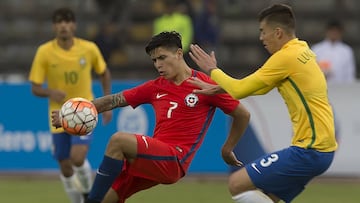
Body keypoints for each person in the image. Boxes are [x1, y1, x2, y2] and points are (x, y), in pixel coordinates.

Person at [52, 31, 250, 203]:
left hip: (175, 159)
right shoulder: (156, 87)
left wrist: (227, 148)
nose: (158, 65)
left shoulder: (205, 85)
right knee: (109, 197)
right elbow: (114, 100)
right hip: (153, 158)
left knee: (118, 140)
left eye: (162, 58)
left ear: (179, 54)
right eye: (154, 60)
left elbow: (242, 114)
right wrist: (70, 115)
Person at [189, 4, 338, 203]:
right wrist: (219, 88)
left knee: (236, 184)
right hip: (323, 152)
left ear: (277, 33)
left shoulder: (285, 57)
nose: (261, 38)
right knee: (269, 198)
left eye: (263, 32)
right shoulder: (301, 49)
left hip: (308, 151)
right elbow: (258, 87)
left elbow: (240, 89)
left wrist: (212, 70)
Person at [28, 7, 113, 203]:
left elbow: (104, 72)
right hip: (57, 113)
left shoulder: (89, 48)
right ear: (54, 26)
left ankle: (88, 193)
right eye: (59, 22)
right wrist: (51, 92)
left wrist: (106, 102)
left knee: (77, 158)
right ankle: (78, 200)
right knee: (65, 166)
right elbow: (35, 87)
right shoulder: (44, 52)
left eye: (67, 21)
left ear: (74, 25)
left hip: (85, 110)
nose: (63, 25)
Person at [312, 19, 357, 84]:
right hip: (321, 86)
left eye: (336, 31)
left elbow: (350, 73)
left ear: (341, 33)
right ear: (327, 31)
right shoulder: (317, 49)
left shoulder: (346, 50)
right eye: (332, 31)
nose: (334, 33)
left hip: (341, 88)